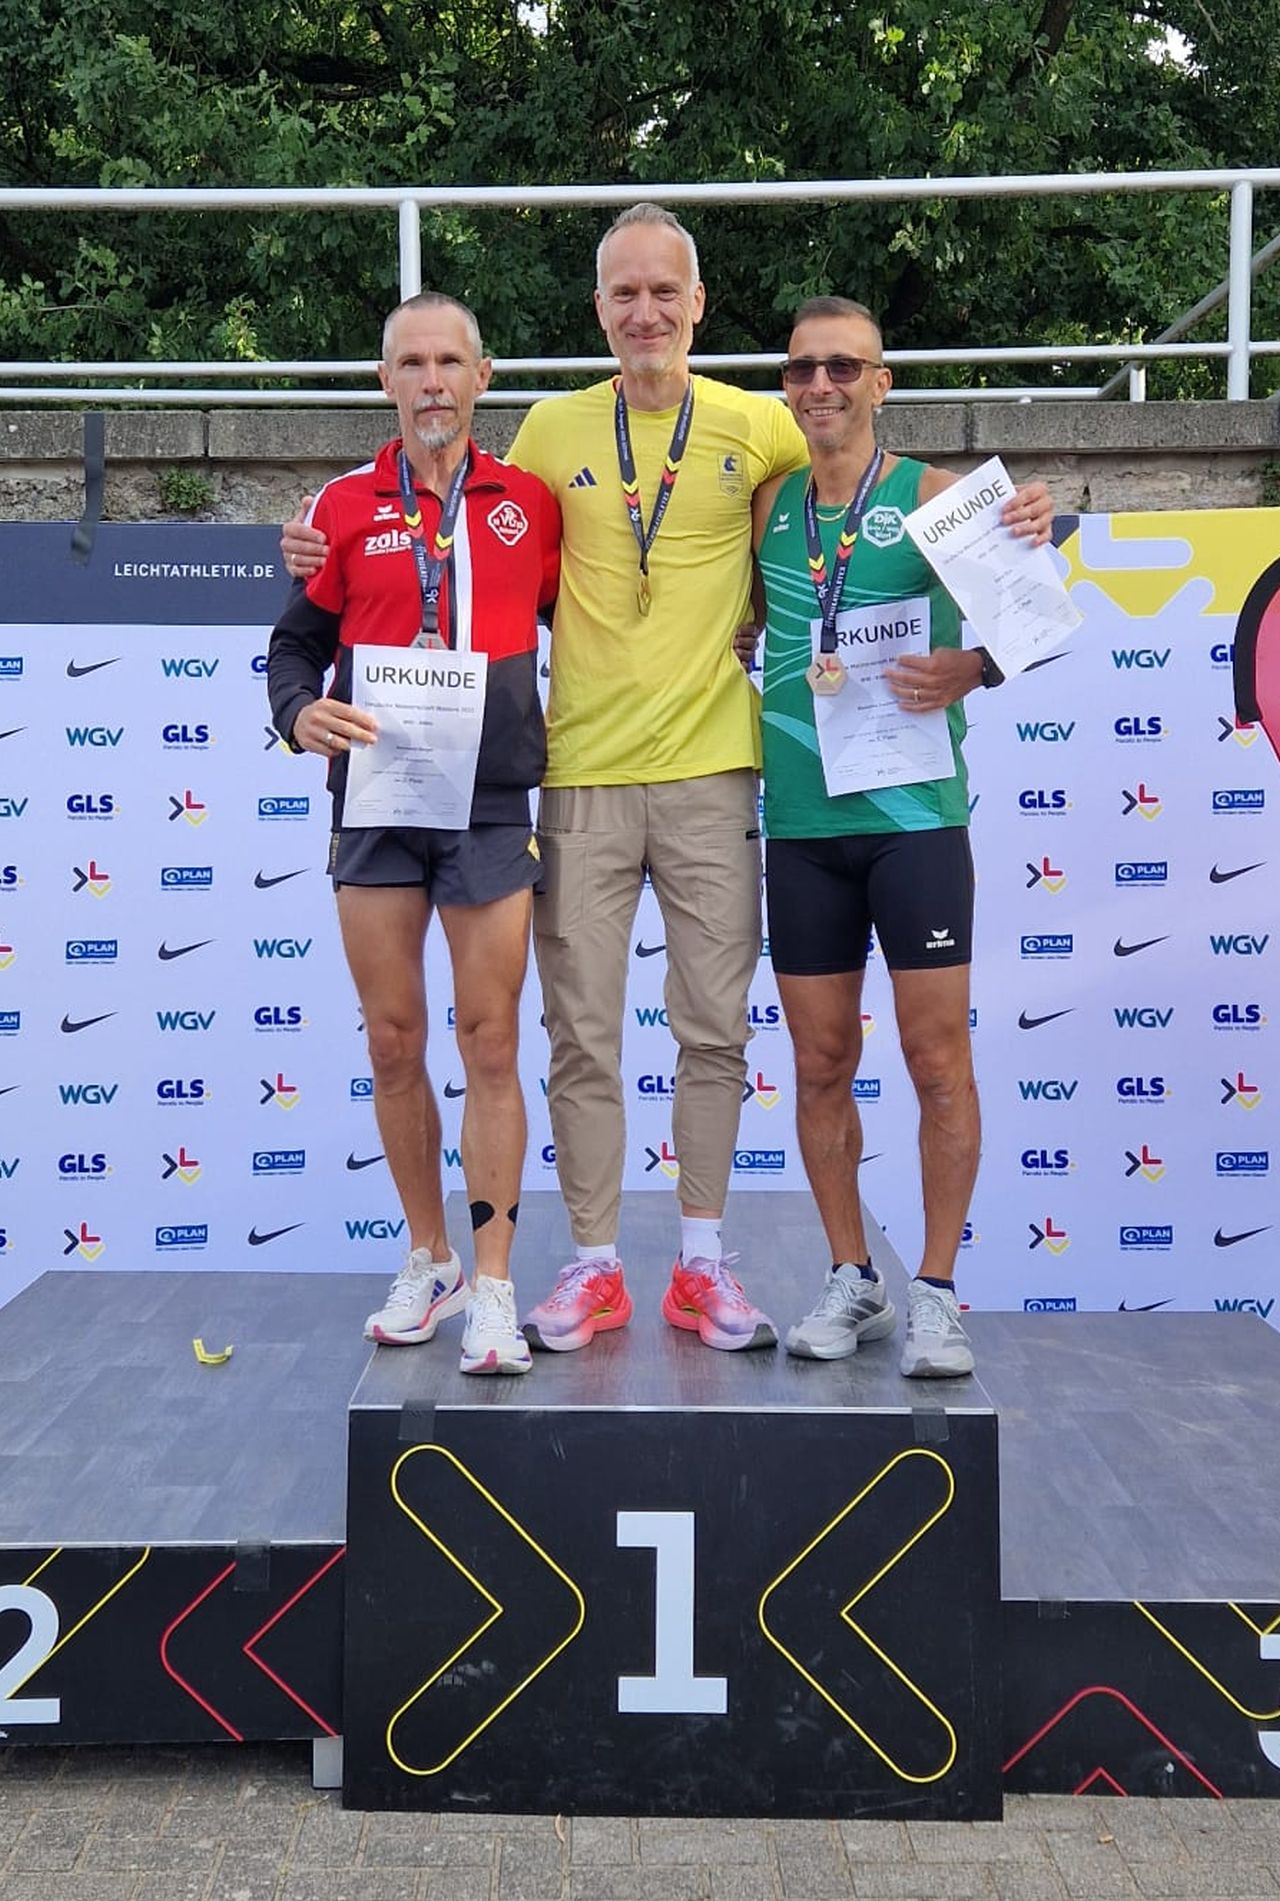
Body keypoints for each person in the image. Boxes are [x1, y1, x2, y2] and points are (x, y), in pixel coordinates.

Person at [285, 206, 813, 1355]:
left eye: (663, 291)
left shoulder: (761, 426)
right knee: (577, 1036)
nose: (645, 311)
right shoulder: (544, 438)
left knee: (713, 1027)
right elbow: (455, 530)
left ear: (697, 302)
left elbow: (842, 504)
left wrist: (769, 604)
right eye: (624, 293)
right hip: (574, 771)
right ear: (597, 309)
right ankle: (590, 1263)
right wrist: (315, 544)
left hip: (714, 767)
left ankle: (703, 1261)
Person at [748, 295, 1050, 1377]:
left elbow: (1034, 618)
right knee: (819, 1060)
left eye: (842, 366)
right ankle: (852, 1274)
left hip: (914, 821)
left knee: (935, 1057)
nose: (819, 385)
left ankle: (935, 1288)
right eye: (801, 368)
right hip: (801, 823)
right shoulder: (768, 504)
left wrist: (973, 666)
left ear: (881, 382)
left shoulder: (933, 495)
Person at [267, 291, 560, 1375]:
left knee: (491, 1042)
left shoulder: (531, 503)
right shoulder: (340, 506)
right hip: (378, 799)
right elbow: (294, 647)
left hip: (487, 798)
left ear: (482, 377)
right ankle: (429, 1256)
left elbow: (601, 619)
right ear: (385, 380)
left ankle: (495, 1284)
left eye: (449, 361)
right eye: (411, 363)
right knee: (392, 1040)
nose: (432, 381)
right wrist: (298, 713)